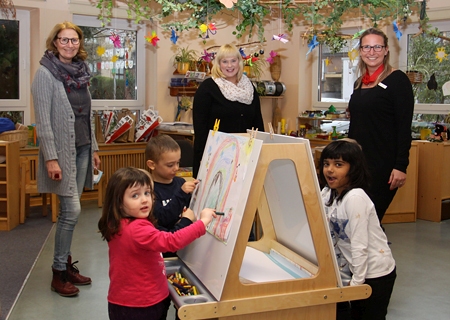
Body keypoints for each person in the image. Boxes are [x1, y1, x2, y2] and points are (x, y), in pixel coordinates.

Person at [31, 21, 101, 297]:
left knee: (69, 211)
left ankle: (66, 264)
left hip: (82, 148)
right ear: (55, 42)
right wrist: (50, 158)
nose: (70, 44)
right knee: (72, 211)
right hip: (60, 153)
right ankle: (59, 272)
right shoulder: (45, 75)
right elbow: (44, 122)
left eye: (74, 40)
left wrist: (94, 148)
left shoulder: (82, 73)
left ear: (79, 43)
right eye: (64, 40)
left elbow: (86, 115)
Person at [97, 167, 216, 320]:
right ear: (119, 202)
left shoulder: (119, 222)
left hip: (124, 301)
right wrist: (203, 222)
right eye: (135, 195)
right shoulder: (137, 229)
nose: (144, 199)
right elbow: (172, 241)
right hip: (142, 305)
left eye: (147, 193)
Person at [319, 139, 396, 320]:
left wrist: (356, 285)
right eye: (326, 164)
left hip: (375, 274)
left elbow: (359, 245)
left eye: (338, 165)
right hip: (354, 271)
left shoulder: (355, 198)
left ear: (353, 169)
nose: (330, 169)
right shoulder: (329, 193)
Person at [348, 27, 414, 223]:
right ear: (360, 51)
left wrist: (401, 166)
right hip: (358, 163)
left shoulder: (398, 80)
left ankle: (375, 253)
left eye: (377, 47)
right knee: (356, 220)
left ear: (386, 50)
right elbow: (356, 125)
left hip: (383, 166)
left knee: (370, 220)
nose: (372, 52)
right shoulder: (359, 83)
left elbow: (404, 126)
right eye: (366, 47)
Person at [192, 43, 265, 177]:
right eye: (224, 61)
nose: (230, 66)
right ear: (218, 64)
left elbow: (258, 122)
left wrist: (261, 149)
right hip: (216, 155)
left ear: (239, 62)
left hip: (245, 155)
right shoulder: (208, 88)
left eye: (233, 61)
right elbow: (200, 127)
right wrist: (203, 155)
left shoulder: (249, 87)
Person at [145, 134, 199, 256]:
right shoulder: (148, 190)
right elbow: (161, 218)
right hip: (167, 249)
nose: (176, 168)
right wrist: (181, 194)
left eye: (178, 163)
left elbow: (190, 209)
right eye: (170, 165)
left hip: (186, 245)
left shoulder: (180, 183)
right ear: (152, 165)